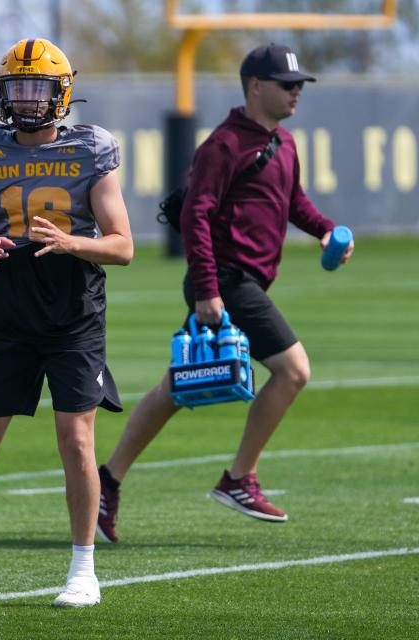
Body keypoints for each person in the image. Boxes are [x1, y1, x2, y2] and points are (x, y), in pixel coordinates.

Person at [96, 44, 354, 544]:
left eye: (300, 85)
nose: (296, 92)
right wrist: (208, 290)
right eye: (287, 84)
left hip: (243, 281)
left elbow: (293, 201)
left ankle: (106, 482)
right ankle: (238, 479)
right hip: (226, 280)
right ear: (255, 85)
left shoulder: (284, 143)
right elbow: (195, 215)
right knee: (294, 369)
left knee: (179, 385)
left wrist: (323, 229)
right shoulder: (224, 144)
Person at [0, 38, 133, 608]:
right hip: (10, 305)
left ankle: (83, 569)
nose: (28, 100)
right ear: (2, 91)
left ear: (61, 93)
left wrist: (71, 242)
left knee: (76, 440)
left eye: (38, 88)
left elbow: (123, 246)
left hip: (73, 308)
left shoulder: (93, 148)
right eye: (18, 88)